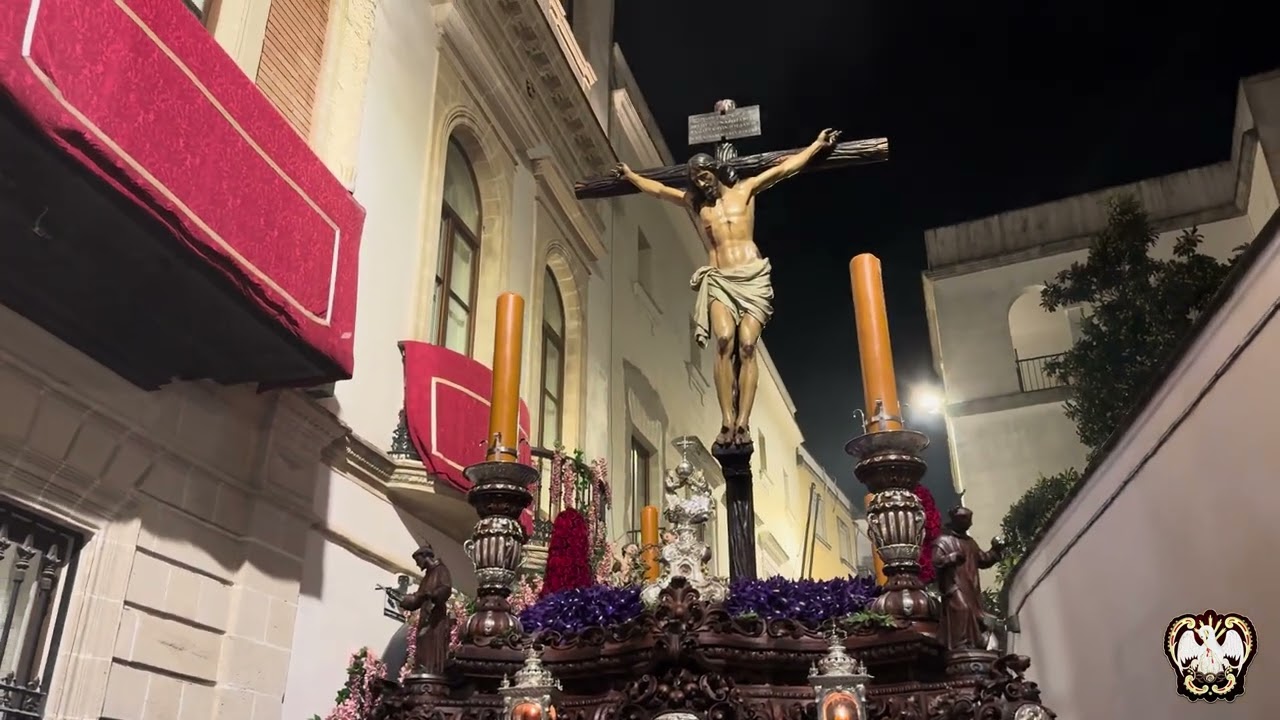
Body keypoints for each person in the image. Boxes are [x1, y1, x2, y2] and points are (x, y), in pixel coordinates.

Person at [613, 128, 840, 447]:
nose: (702, 183)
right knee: (723, 339)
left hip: (752, 277)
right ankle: (726, 420)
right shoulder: (696, 204)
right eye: (696, 179)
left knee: (747, 344)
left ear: (715, 172)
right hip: (719, 279)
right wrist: (631, 176)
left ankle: (743, 422)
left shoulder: (745, 190)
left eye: (705, 176)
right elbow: (660, 191)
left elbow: (784, 168)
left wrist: (815, 145)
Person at [932, 506, 1005, 650]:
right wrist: (951, 558)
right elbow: (936, 561)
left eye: (970, 521)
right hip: (954, 585)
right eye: (966, 521)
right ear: (956, 521)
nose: (969, 524)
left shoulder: (970, 542)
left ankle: (972, 643)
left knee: (973, 614)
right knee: (962, 609)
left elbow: (983, 559)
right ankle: (960, 644)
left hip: (970, 587)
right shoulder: (943, 541)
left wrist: (995, 550)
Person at [399, 542, 454, 676]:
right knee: (422, 647)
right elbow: (418, 599)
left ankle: (432, 672)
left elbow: (445, 589)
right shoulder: (427, 577)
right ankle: (423, 670)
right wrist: (406, 601)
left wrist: (431, 595)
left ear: (425, 556)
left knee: (432, 648)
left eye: (418, 560)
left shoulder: (441, 570)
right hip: (425, 618)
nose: (417, 565)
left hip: (435, 620)